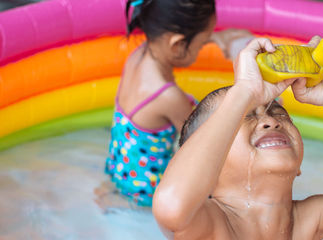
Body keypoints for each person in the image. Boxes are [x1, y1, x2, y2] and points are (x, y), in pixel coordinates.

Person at [152, 36, 323, 240]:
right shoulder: (204, 227)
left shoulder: (309, 221)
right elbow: (172, 205)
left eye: (280, 114)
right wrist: (243, 92)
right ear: (210, 166)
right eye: (246, 117)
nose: (271, 122)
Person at [96, 0, 253, 207]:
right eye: (201, 42)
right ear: (177, 44)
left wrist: (216, 38)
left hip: (121, 170)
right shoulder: (169, 97)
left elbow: (177, 44)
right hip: (147, 193)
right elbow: (207, 143)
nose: (200, 50)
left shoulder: (138, 56)